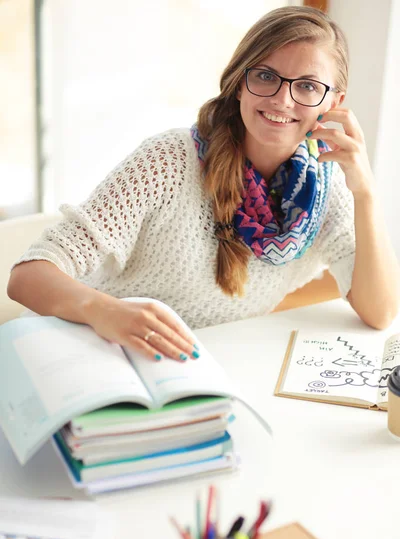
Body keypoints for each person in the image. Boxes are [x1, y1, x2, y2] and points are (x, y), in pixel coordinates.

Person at [7, 6, 400, 363]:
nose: (283, 100)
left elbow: (380, 311)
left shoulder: (325, 189)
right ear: (240, 82)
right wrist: (106, 311)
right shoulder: (167, 161)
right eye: (266, 76)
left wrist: (364, 191)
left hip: (186, 371)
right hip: (71, 352)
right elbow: (27, 277)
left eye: (308, 86)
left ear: (333, 102)